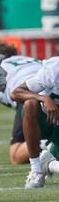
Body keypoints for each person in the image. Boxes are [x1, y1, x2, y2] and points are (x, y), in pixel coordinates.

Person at [11, 57, 59, 189]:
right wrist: (43, 98)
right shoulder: (54, 70)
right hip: (47, 122)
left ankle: (48, 163)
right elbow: (15, 93)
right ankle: (36, 168)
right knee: (30, 104)